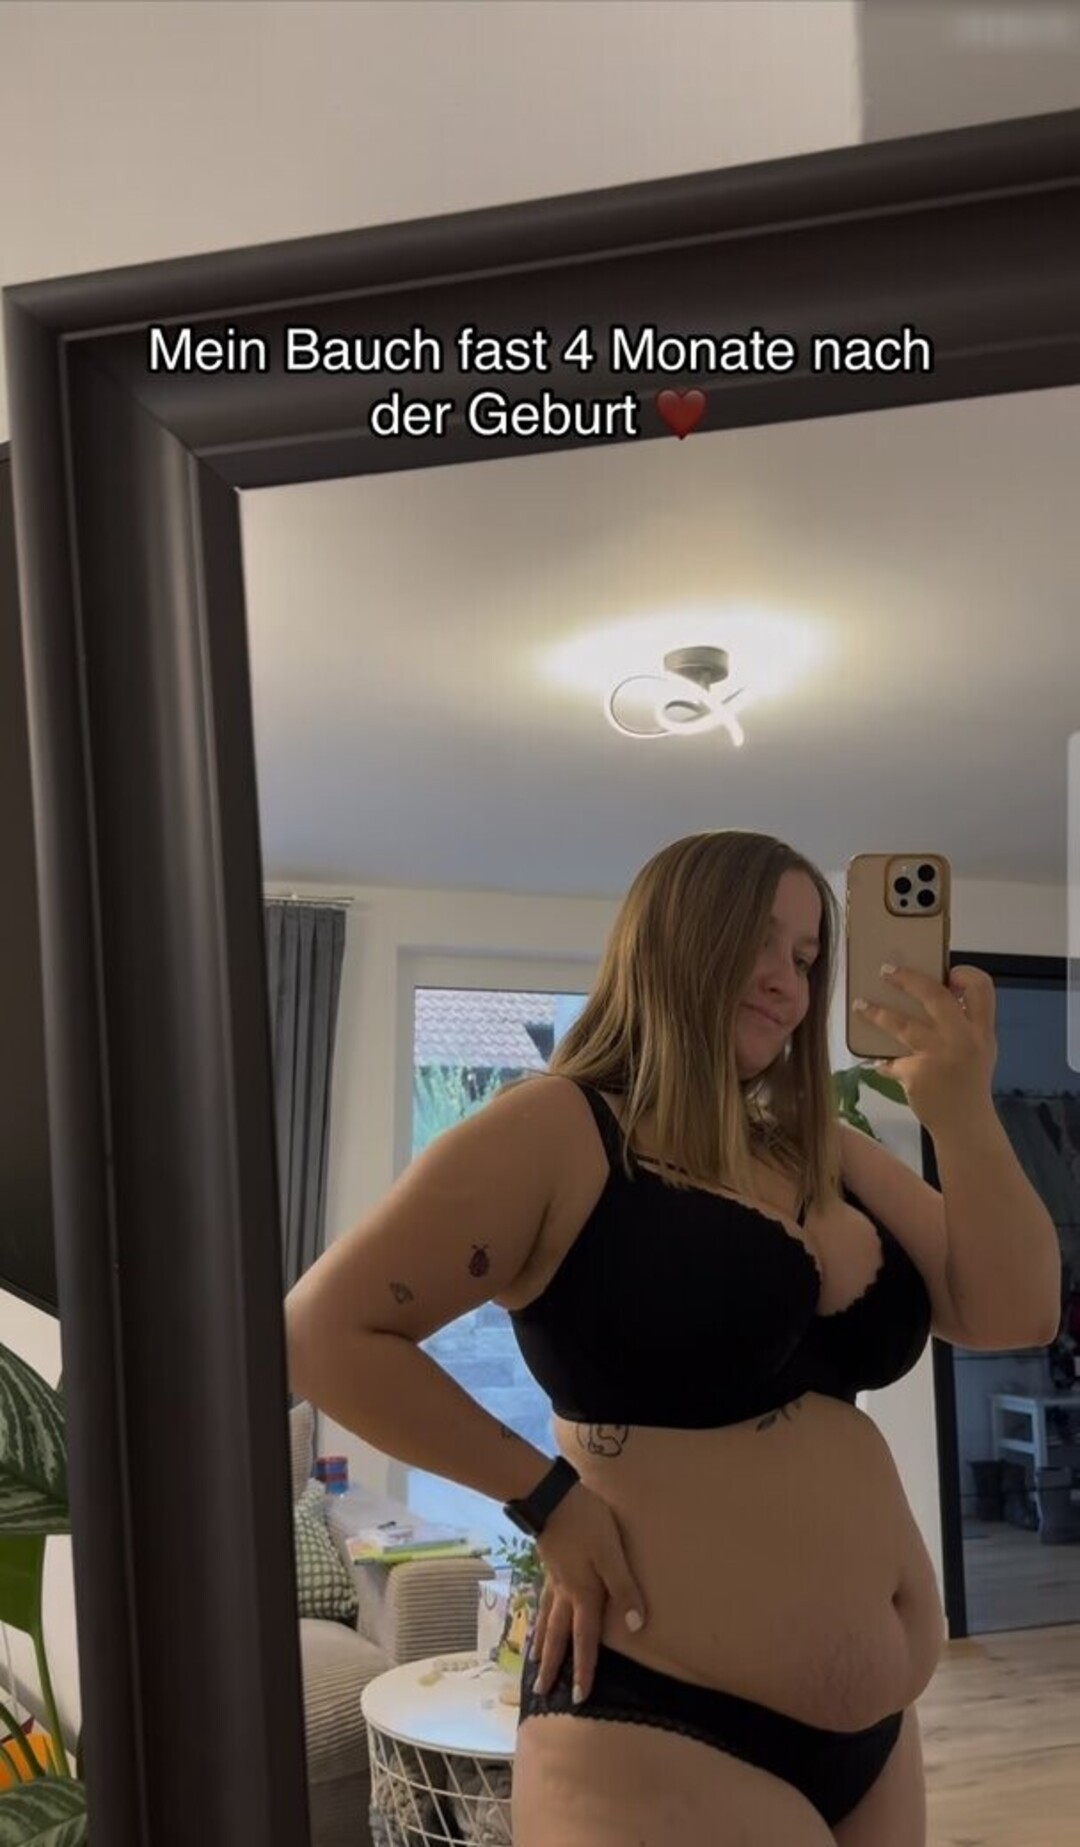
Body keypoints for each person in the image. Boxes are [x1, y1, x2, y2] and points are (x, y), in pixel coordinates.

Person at [285, 831, 1061, 1846]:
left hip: (878, 1739)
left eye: (807, 956)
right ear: (674, 938)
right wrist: (545, 1497)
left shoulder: (821, 1149)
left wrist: (961, 1111)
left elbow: (1014, 1312)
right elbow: (320, 1332)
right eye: (759, 940)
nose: (787, 980)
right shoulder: (561, 1128)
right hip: (658, 1720)